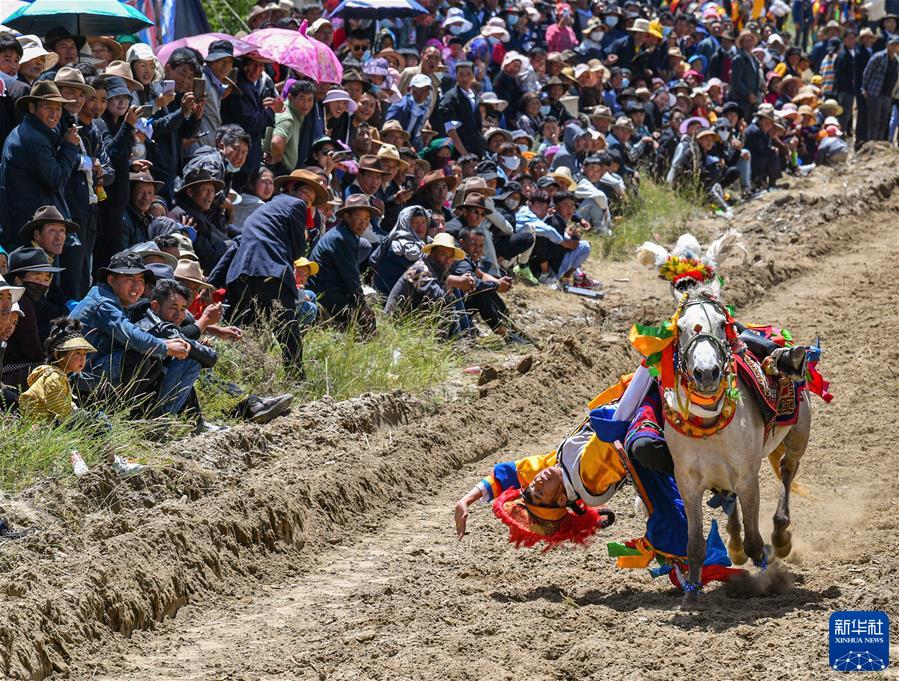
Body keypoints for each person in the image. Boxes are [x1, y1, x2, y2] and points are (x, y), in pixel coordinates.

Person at [69, 251, 197, 415]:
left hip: (92, 370)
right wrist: (164, 346)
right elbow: (130, 335)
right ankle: (113, 412)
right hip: (78, 377)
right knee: (143, 356)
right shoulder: (103, 303)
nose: (137, 287)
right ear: (111, 279)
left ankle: (152, 416)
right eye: (129, 279)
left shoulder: (112, 300)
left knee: (157, 356)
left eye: (140, 280)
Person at [226, 169, 326, 373]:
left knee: (249, 329)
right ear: (292, 188)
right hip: (269, 271)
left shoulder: (265, 209)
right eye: (306, 194)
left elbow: (237, 244)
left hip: (241, 274)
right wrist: (306, 235)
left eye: (311, 199)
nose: (307, 201)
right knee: (288, 329)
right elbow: (298, 251)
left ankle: (247, 375)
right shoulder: (295, 205)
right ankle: (296, 378)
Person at [0, 81, 80, 249]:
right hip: (30, 231)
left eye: (58, 108)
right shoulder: (33, 139)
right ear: (32, 108)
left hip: (31, 226)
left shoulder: (32, 132)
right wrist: (70, 147)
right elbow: (56, 180)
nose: (54, 114)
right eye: (48, 107)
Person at [308, 194, 380, 336]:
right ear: (346, 217)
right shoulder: (342, 238)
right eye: (358, 218)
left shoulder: (345, 234)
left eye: (366, 219)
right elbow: (350, 277)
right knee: (366, 320)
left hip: (329, 288)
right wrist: (362, 305)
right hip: (325, 293)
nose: (363, 223)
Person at [451, 227, 527, 343]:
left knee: (489, 289)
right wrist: (496, 285)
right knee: (483, 294)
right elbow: (473, 283)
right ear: (462, 243)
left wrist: (499, 282)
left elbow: (480, 275)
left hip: (459, 308)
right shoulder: (462, 261)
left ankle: (510, 328)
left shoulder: (467, 258)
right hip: (452, 312)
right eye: (473, 245)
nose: (477, 249)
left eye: (481, 246)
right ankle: (505, 333)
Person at [18, 317, 96, 421]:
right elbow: (63, 413)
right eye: (78, 353)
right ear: (58, 355)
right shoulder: (53, 378)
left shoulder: (59, 376)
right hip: (39, 427)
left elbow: (67, 405)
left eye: (84, 353)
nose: (83, 358)